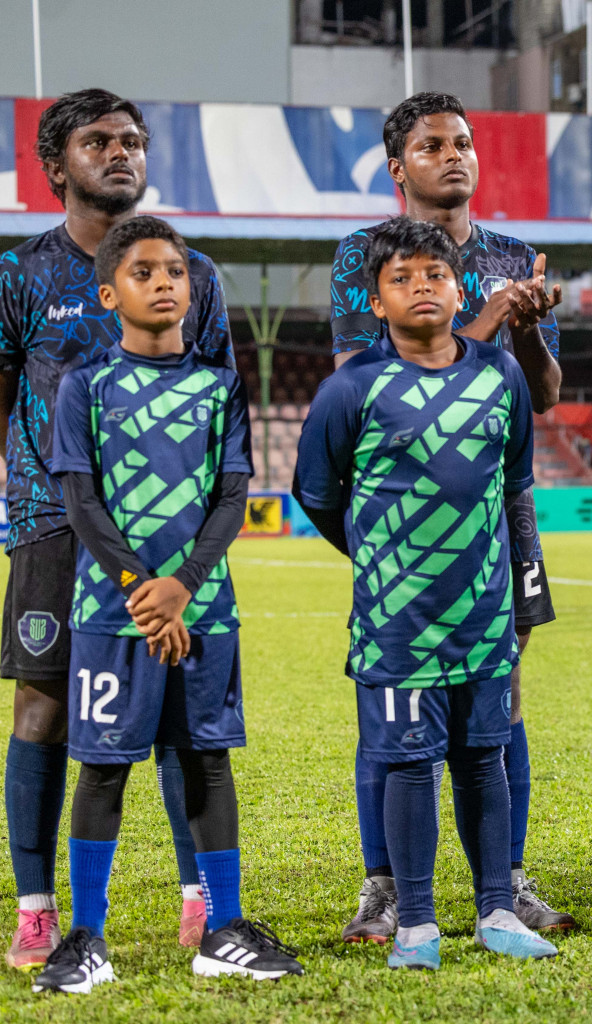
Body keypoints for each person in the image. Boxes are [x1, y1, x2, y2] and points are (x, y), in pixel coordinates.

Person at [33, 217, 302, 995]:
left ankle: (224, 929)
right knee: (105, 769)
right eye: (145, 271)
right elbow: (81, 502)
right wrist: (141, 590)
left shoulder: (220, 383)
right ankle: (85, 938)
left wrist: (181, 586)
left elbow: (230, 495)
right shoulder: (87, 385)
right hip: (114, 615)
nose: (163, 282)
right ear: (110, 291)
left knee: (206, 761)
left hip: (206, 609)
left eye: (175, 271)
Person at [328, 91, 570, 939]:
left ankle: (505, 882)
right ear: (400, 168)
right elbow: (365, 374)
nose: (455, 155)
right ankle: (387, 885)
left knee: (499, 691)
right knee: (391, 695)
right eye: (433, 145)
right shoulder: (365, 254)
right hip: (403, 513)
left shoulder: (512, 253)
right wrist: (494, 313)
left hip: (503, 509)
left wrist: (532, 331)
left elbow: (543, 395)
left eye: (463, 142)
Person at [0, 89, 224, 970]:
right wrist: (18, 500)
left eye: (131, 141)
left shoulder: (193, 274)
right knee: (45, 704)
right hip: (55, 523)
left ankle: (200, 902)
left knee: (181, 712)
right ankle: (36, 910)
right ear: (56, 166)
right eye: (98, 142)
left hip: (167, 534)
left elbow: (219, 402)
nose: (120, 153)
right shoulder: (21, 277)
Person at [296, 217, 557, 969]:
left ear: (459, 288)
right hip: (397, 620)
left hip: (482, 613)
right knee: (409, 763)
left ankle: (497, 913)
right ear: (376, 301)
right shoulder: (351, 388)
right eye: (402, 279)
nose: (421, 288)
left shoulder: (497, 375)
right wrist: (382, 559)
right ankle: (414, 923)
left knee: (484, 756)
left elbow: (513, 479)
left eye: (435, 276)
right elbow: (316, 493)